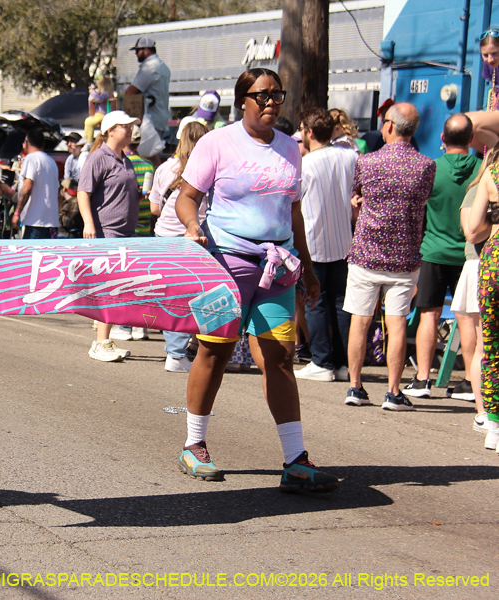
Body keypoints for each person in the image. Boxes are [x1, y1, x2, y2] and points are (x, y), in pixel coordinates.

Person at [174, 68, 338, 493]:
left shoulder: (290, 148)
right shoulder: (216, 142)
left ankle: (295, 460)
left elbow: (294, 211)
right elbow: (187, 197)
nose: (271, 103)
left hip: (277, 268)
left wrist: (309, 267)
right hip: (225, 265)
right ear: (241, 100)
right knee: (215, 352)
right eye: (262, 96)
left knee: (281, 357)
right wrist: (193, 227)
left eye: (277, 96)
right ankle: (194, 445)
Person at [343, 103, 435, 411]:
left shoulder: (367, 162)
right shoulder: (425, 165)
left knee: (360, 320)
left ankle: (355, 386)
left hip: (366, 253)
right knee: (396, 323)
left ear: (390, 126)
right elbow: (421, 202)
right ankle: (393, 391)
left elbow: (356, 194)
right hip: (404, 257)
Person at [404, 115, 481, 399]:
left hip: (433, 251)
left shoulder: (431, 169)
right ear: (472, 139)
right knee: (467, 319)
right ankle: (473, 382)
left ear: (441, 138)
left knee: (429, 314)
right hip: (469, 254)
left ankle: (423, 379)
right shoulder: (481, 170)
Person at [293, 108, 357, 383]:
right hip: (344, 242)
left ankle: (322, 361)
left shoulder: (305, 165)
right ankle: (342, 364)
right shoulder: (350, 157)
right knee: (342, 305)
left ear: (308, 132)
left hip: (314, 242)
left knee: (314, 303)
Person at [77, 110, 142, 362]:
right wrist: (89, 223)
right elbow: (83, 192)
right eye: (125, 126)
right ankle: (100, 343)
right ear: (111, 130)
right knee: (109, 287)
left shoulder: (125, 159)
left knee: (117, 288)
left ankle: (104, 339)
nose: (130, 130)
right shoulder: (98, 158)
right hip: (107, 232)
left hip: (125, 233)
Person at [150, 119, 207, 373]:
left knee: (172, 294)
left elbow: (154, 207)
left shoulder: (165, 168)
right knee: (194, 294)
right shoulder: (208, 167)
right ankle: (177, 353)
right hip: (195, 237)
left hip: (164, 236)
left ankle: (176, 350)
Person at [468, 141, 499, 452]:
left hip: (494, 263)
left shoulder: (491, 174)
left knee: (491, 342)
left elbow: (474, 226)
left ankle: (494, 424)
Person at [457, 161, 492, 435]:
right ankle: (483, 411)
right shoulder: (477, 188)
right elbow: (470, 232)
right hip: (481, 264)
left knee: (486, 345)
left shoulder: (488, 181)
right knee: (483, 343)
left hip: (489, 266)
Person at [11, 130, 59, 239]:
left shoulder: (31, 159)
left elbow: (27, 187)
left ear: (26, 143)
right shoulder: (51, 162)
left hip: (35, 222)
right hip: (51, 222)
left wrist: (17, 213)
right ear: (43, 144)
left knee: (31, 255)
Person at [125, 37, 171, 147]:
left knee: (145, 155)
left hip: (150, 119)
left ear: (146, 50)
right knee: (154, 154)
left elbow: (130, 92)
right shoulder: (163, 67)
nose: (136, 53)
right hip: (161, 117)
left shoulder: (150, 68)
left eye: (137, 50)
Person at [84, 76, 116, 142]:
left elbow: (98, 99)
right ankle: (85, 137)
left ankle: (89, 141)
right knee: (87, 120)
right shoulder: (104, 94)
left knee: (89, 123)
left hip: (103, 115)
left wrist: (92, 91)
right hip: (99, 114)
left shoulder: (106, 94)